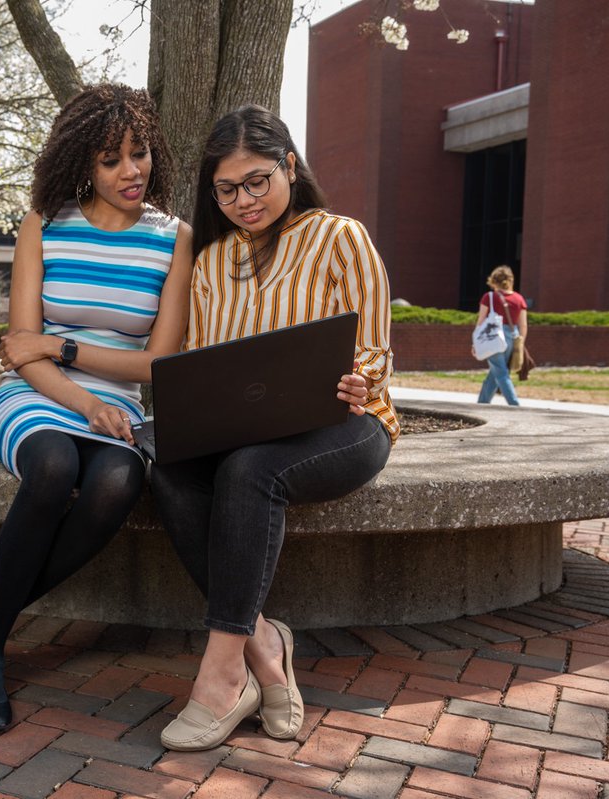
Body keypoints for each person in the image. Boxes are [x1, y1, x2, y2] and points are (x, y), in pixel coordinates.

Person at [0, 84, 193, 731]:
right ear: (83, 161)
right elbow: (21, 354)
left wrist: (62, 343)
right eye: (111, 159)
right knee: (52, 468)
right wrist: (75, 388)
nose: (131, 171)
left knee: (116, 481)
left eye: (139, 154)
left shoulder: (174, 238)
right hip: (38, 395)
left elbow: (159, 363)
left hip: (116, 406)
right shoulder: (42, 226)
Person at [151, 105, 399, 751]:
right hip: (246, 431)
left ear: (289, 165)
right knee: (171, 469)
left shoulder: (341, 236)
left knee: (251, 471)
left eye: (257, 180)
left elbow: (371, 348)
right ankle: (265, 640)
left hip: (346, 425)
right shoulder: (212, 261)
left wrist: (358, 381)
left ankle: (222, 670)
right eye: (227, 189)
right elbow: (207, 363)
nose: (243, 200)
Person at [475, 265, 527, 405]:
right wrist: (520, 344)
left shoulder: (489, 297)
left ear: (493, 280)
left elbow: (481, 321)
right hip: (512, 335)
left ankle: (514, 404)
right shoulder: (519, 299)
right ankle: (482, 403)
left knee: (500, 371)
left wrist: (475, 342)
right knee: (495, 372)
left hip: (493, 336)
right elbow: (523, 325)